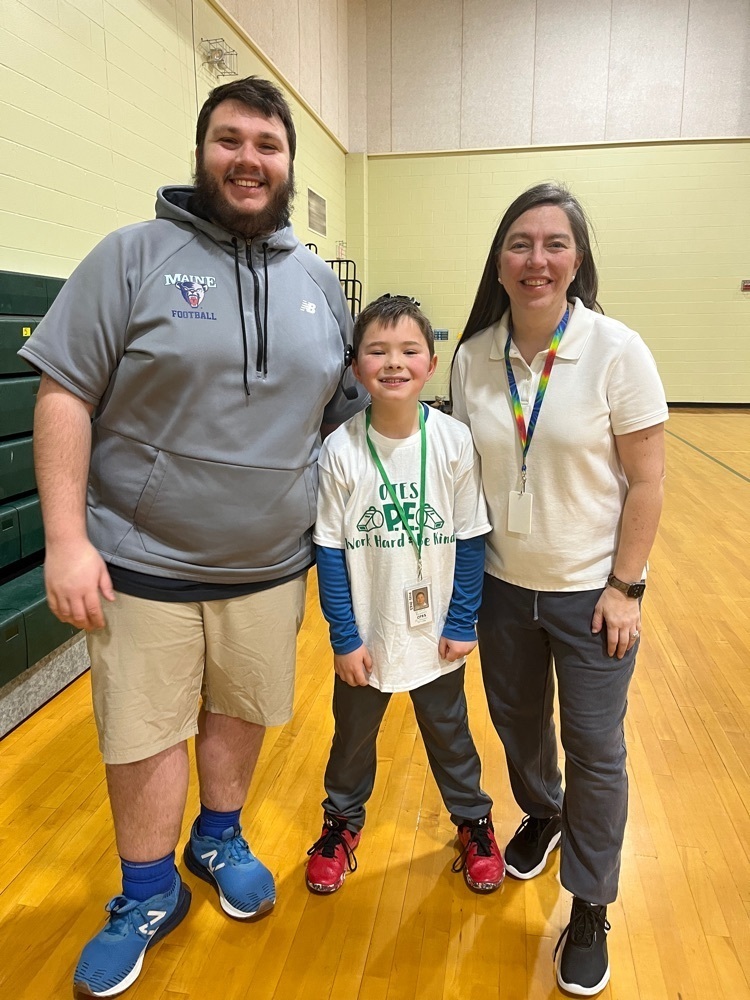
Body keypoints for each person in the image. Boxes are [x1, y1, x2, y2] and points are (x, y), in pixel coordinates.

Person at [19, 76, 365, 998]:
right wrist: (65, 540)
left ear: (290, 165)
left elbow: (343, 422)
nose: (249, 159)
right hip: (139, 565)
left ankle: (218, 838)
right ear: (202, 151)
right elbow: (63, 394)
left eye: (268, 144)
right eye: (230, 140)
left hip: (269, 567)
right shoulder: (131, 255)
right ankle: (144, 894)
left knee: (239, 712)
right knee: (142, 734)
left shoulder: (317, 285)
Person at [451, 183, 667, 997]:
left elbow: (647, 483)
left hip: (591, 596)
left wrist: (626, 587)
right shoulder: (472, 355)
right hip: (504, 589)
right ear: (499, 261)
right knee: (516, 723)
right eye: (520, 243)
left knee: (597, 749)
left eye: (554, 244)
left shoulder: (618, 350)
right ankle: (541, 811)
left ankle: (589, 902)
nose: (536, 259)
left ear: (577, 259)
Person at [305, 295, 505, 897]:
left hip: (437, 632)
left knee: (450, 732)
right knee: (353, 738)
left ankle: (473, 822)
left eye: (409, 350)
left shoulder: (453, 442)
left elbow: (471, 540)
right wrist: (344, 637)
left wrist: (464, 620)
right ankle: (341, 825)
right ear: (356, 366)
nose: (394, 363)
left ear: (431, 362)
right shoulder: (340, 449)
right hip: (367, 638)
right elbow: (330, 552)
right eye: (377, 351)